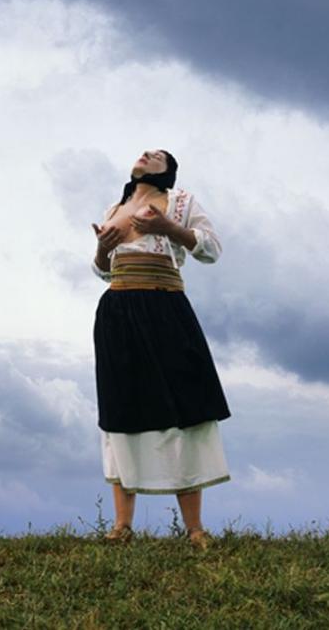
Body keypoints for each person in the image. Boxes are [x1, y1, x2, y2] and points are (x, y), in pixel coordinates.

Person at [91, 148, 231, 550]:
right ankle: (122, 526)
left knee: (184, 406)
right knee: (122, 407)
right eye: (144, 152)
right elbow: (102, 269)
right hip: (118, 311)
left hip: (165, 306)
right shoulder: (114, 208)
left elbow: (211, 249)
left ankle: (195, 528)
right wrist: (102, 248)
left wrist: (167, 227)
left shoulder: (180, 202)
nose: (146, 154)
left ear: (167, 171)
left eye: (156, 155)